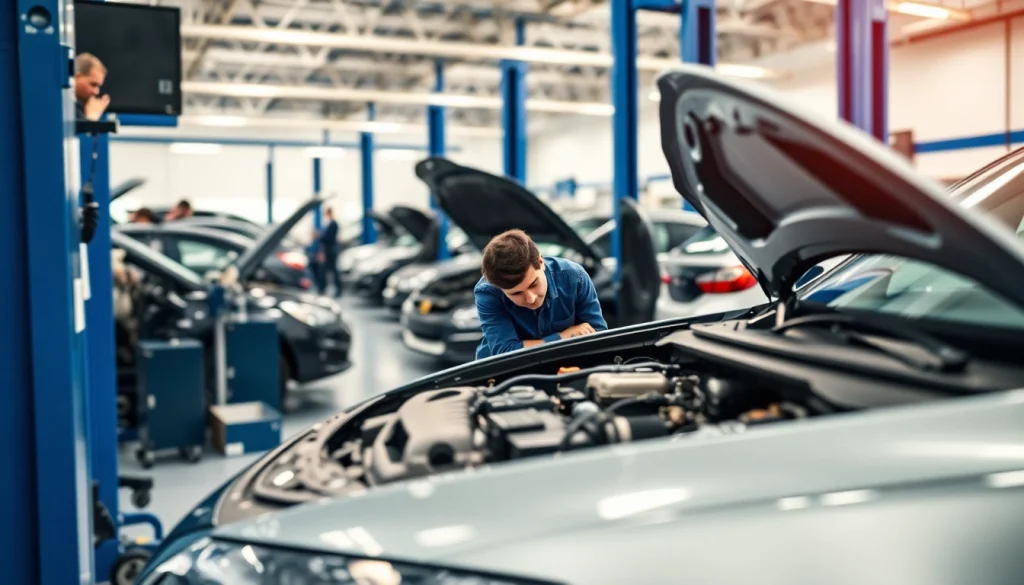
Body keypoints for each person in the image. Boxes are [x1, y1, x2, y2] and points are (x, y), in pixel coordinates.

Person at [474, 229, 607, 360]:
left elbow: (598, 335)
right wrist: (563, 337)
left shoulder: (574, 277)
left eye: (533, 284)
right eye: (516, 293)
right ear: (498, 288)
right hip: (504, 374)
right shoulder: (487, 292)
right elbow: (505, 353)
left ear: (541, 262)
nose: (531, 299)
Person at [74, 53, 110, 121]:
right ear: (77, 77)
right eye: (93, 84)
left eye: (98, 86)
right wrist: (92, 118)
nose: (96, 92)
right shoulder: (63, 108)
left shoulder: (80, 109)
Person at [317, 207, 342, 296]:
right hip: (329, 251)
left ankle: (334, 289)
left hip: (331, 252)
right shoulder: (329, 224)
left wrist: (320, 237)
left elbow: (328, 238)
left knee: (332, 271)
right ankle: (324, 289)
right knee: (329, 271)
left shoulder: (333, 224)